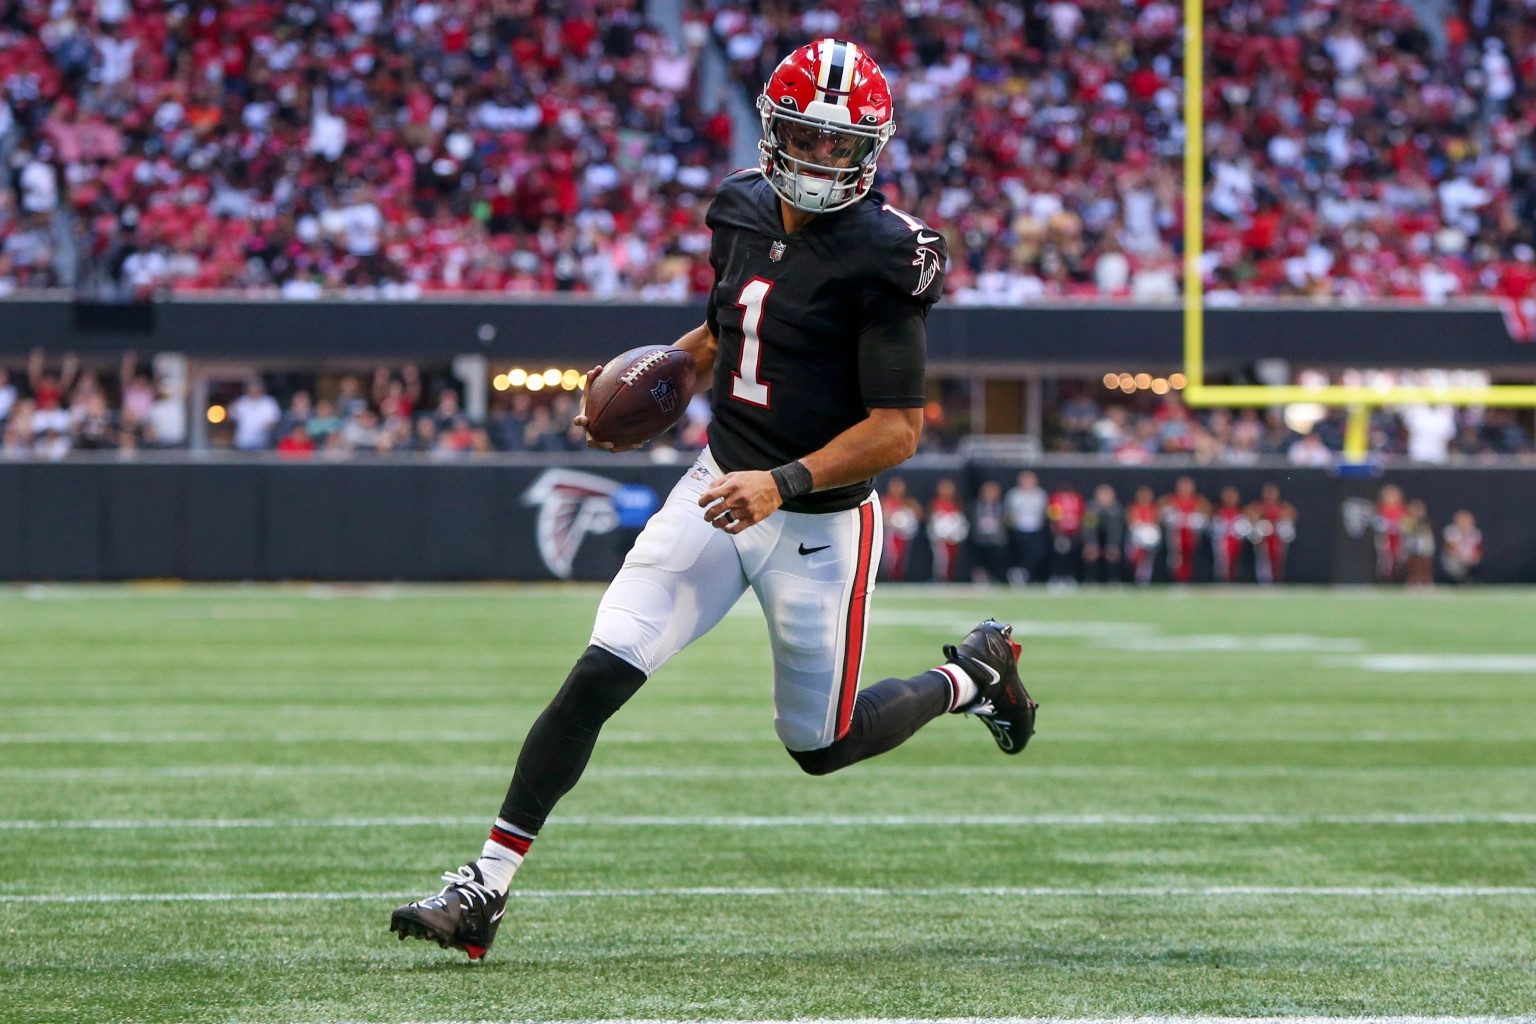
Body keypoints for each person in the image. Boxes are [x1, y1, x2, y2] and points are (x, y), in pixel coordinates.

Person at [390, 39, 1037, 962]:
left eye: (841, 148)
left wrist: (781, 483)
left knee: (821, 745)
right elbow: (733, 317)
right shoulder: (737, 205)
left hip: (817, 520)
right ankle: (482, 888)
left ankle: (973, 675)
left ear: (874, 152)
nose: (821, 163)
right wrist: (673, 370)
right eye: (806, 141)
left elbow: (899, 428)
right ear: (773, 134)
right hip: (715, 488)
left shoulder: (893, 255)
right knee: (598, 675)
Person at [1160, 475, 1209, 584]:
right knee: (1175, 558)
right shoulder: (1171, 499)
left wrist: (1196, 519)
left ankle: (1188, 579)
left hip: (1191, 535)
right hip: (1176, 534)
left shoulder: (1198, 500)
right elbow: (1162, 514)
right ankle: (1176, 579)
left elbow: (1206, 515)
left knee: (1190, 558)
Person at [1004, 469, 1048, 584]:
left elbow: (1045, 511)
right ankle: (1018, 575)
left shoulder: (1040, 494)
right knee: (1019, 554)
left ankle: (1032, 575)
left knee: (1037, 553)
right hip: (1019, 529)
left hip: (1036, 529)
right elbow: (1008, 512)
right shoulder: (1014, 494)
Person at [1247, 483, 1296, 585]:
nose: (1270, 496)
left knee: (1278, 558)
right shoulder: (1259, 506)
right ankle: (1264, 581)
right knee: (1263, 559)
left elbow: (1292, 514)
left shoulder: (1281, 506)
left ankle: (1277, 579)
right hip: (1264, 537)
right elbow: (1250, 514)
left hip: (1276, 537)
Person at [878, 476, 923, 581]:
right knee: (891, 557)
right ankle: (888, 577)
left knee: (903, 557)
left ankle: (901, 577)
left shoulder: (908, 501)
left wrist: (907, 518)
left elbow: (919, 513)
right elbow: (881, 515)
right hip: (891, 533)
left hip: (904, 534)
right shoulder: (886, 500)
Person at [927, 477, 970, 582]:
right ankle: (940, 578)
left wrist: (958, 533)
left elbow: (961, 520)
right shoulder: (935, 503)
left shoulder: (957, 503)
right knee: (941, 560)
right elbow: (931, 519)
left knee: (952, 559)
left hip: (954, 537)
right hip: (940, 538)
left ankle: (952, 578)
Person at [968, 480, 1010, 584]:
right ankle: (980, 578)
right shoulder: (975, 505)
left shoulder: (1003, 506)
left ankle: (997, 578)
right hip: (980, 538)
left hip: (997, 539)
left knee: (998, 559)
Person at [1081, 484, 1124, 584]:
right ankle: (1091, 579)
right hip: (1095, 537)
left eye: (1107, 495)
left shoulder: (1116, 509)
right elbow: (1089, 527)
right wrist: (1090, 543)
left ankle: (1113, 579)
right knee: (1091, 553)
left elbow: (1116, 530)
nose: (1105, 497)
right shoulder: (1091, 508)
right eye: (1102, 495)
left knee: (1112, 553)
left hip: (1111, 539)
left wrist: (1113, 545)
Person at [1047, 480, 1085, 583]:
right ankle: (1056, 576)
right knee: (1058, 557)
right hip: (1059, 533)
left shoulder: (1077, 498)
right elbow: (1052, 515)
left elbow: (1081, 515)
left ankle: (1070, 576)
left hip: (1074, 533)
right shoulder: (1055, 498)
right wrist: (1058, 532)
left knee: (1072, 557)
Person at [1210, 485, 1249, 583]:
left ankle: (1233, 580)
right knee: (1222, 561)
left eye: (1232, 496)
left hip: (1236, 540)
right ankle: (1222, 580)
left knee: (1234, 561)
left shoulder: (1241, 509)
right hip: (1223, 540)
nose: (1230, 499)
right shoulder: (1218, 510)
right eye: (1228, 496)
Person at [1125, 485, 1160, 585]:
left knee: (1147, 561)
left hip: (1150, 539)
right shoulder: (1133, 507)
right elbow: (1131, 523)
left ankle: (1144, 579)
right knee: (1135, 558)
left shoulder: (1153, 508)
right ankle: (1134, 578)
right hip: (1136, 537)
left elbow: (1156, 523)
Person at [1373, 484, 1408, 583]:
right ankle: (1385, 579)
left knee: (1399, 557)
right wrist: (1387, 526)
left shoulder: (1401, 508)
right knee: (1384, 559)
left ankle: (1399, 578)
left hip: (1398, 537)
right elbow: (1378, 522)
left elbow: (1405, 522)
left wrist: (1398, 526)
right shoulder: (1381, 507)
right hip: (1385, 537)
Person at [1441, 510, 1482, 583]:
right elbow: (1451, 549)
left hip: (1468, 559)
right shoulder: (1451, 531)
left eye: (1466, 520)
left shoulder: (1475, 532)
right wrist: (1461, 557)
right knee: (1454, 567)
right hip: (1455, 559)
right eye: (1462, 520)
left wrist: (1472, 558)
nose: (1464, 523)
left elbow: (1477, 550)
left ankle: (1469, 580)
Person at [1404, 499, 1436, 586]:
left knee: (1425, 562)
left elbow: (1426, 532)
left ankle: (1426, 580)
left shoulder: (1425, 520)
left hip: (1423, 543)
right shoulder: (1408, 520)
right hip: (1412, 543)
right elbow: (1406, 530)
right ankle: (1413, 579)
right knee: (1413, 562)